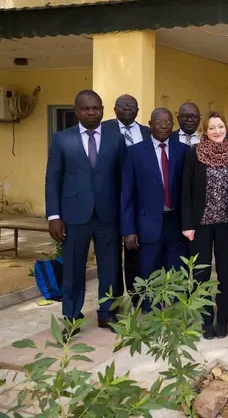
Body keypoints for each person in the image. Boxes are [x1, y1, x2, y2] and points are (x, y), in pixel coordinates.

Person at [45, 90, 125, 338]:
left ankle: (107, 313)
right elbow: (53, 179)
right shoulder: (61, 139)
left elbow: (122, 179)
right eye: (85, 108)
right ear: (76, 110)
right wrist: (53, 216)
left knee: (110, 267)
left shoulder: (115, 138)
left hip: (107, 215)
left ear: (103, 109)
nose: (91, 112)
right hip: (73, 216)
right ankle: (71, 318)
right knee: (73, 269)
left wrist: (124, 216)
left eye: (96, 108)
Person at [182, 111, 228, 340]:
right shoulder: (193, 153)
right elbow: (185, 190)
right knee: (201, 273)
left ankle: (223, 318)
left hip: (227, 224)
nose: (217, 131)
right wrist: (187, 224)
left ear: (226, 128)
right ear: (204, 131)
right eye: (212, 128)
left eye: (220, 126)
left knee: (226, 273)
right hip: (201, 224)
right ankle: (206, 319)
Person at [120, 108, 188, 312]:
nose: (164, 126)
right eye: (159, 122)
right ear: (149, 124)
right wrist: (128, 230)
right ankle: (152, 312)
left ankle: (176, 311)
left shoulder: (183, 150)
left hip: (176, 223)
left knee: (177, 269)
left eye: (168, 122)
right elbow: (127, 193)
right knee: (149, 271)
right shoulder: (134, 153)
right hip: (147, 224)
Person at [101, 94, 150, 306]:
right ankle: (111, 303)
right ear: (114, 108)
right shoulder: (103, 130)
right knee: (111, 257)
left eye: (132, 106)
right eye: (123, 105)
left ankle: (138, 293)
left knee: (136, 249)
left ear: (138, 110)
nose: (128, 109)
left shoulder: (148, 133)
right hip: (110, 201)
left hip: (141, 202)